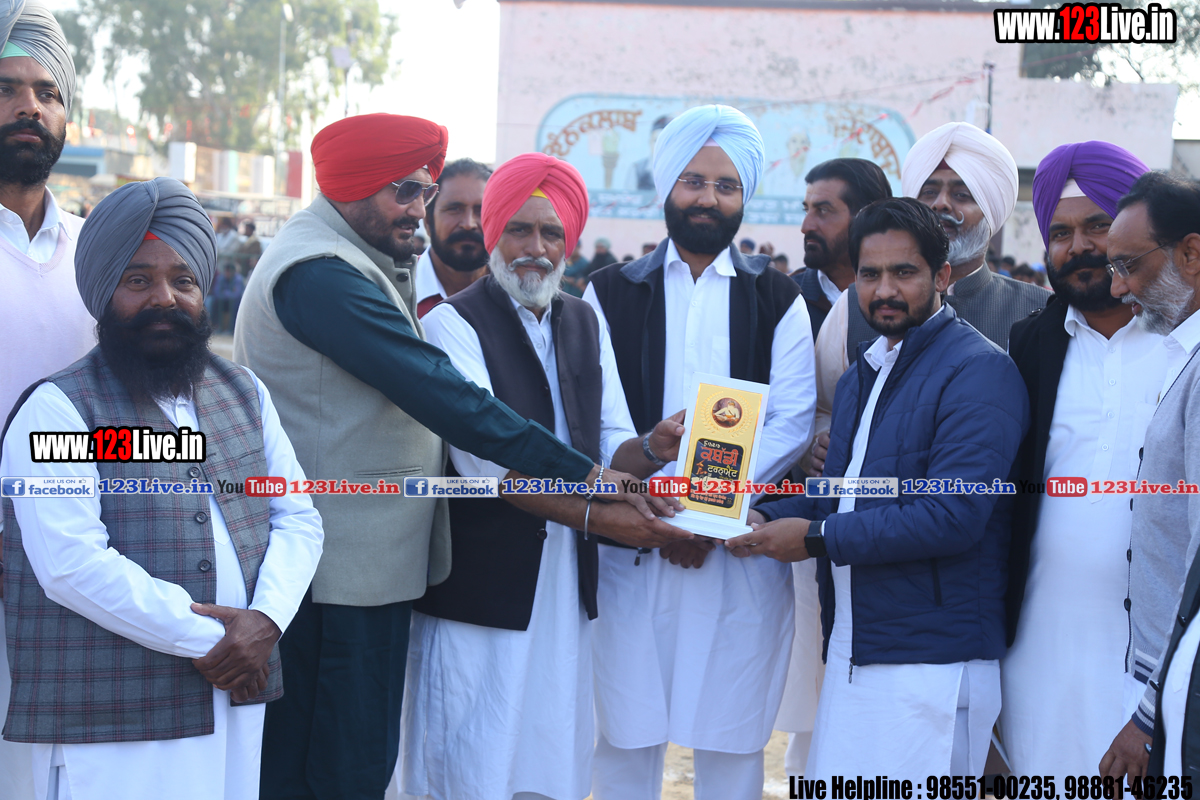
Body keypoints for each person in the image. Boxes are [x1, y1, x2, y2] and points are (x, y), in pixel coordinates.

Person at [234, 113, 665, 800]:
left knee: (356, 762)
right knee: (340, 765)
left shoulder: (361, 261)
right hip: (337, 569)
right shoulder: (321, 275)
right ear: (352, 186)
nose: (419, 209)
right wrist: (587, 478)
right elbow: (444, 396)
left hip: (368, 567)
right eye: (404, 190)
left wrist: (640, 456)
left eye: (424, 191)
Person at [0, 177, 324, 800]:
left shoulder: (245, 393)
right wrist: (222, 640)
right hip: (109, 719)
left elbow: (297, 518)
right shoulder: (58, 410)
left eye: (183, 280)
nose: (164, 299)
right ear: (103, 293)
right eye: (138, 280)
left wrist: (266, 620)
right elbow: (70, 564)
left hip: (233, 699)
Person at [398, 152, 690, 800]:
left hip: (564, 584)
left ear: (570, 242)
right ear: (494, 233)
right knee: (470, 758)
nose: (536, 248)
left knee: (549, 755)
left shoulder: (583, 319)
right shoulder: (450, 324)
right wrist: (602, 516)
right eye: (520, 230)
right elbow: (488, 465)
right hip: (480, 590)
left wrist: (653, 448)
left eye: (551, 233)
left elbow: (610, 442)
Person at [726, 197, 1029, 778]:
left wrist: (814, 538)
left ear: (942, 276)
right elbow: (842, 492)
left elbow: (952, 516)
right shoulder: (865, 372)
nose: (884, 290)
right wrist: (762, 513)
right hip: (856, 641)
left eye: (904, 272)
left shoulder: (979, 370)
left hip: (930, 661)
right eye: (870, 274)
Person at [585, 104, 816, 800]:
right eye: (693, 181)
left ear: (745, 197)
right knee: (624, 737)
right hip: (634, 544)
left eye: (725, 185)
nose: (707, 198)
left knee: (732, 739)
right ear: (667, 187)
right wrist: (659, 508)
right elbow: (603, 418)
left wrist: (704, 514)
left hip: (734, 549)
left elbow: (790, 421)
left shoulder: (777, 297)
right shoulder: (608, 292)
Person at [1002, 141, 1157, 782]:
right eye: (1060, 233)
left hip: (1155, 664)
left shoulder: (1187, 342)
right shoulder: (1030, 344)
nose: (1079, 247)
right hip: (1038, 653)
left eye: (1098, 225)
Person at [0, 5, 90, 797]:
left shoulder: (103, 255)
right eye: (6, 88)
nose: (29, 106)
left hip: (84, 557)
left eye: (48, 93)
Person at [1099, 171, 1200, 783]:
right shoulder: (1183, 355)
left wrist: (1149, 714)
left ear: (1191, 253)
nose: (1119, 287)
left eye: (1129, 265)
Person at [414, 158, 491, 317]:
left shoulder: (518, 295)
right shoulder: (392, 291)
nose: (468, 224)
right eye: (454, 209)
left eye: (481, 210)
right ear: (428, 221)